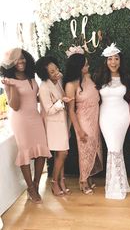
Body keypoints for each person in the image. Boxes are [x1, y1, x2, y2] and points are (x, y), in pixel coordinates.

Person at [0, 48, 51, 203]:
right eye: (15, 60)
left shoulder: (31, 76)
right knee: (25, 153)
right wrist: (12, 87)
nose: (20, 61)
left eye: (22, 58)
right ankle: (30, 188)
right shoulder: (9, 81)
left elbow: (33, 97)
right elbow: (15, 106)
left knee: (42, 151)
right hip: (20, 120)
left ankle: (35, 184)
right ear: (10, 64)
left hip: (34, 117)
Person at [63, 47, 103, 195]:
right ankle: (83, 180)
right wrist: (78, 130)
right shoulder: (71, 85)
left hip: (95, 118)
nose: (88, 66)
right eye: (85, 65)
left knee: (95, 147)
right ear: (78, 67)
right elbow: (70, 110)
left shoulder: (90, 78)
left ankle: (89, 176)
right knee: (85, 149)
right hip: (83, 120)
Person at [95, 43, 130, 200]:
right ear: (105, 61)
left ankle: (118, 184)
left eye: (116, 58)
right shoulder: (98, 77)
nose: (113, 62)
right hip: (106, 116)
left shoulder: (126, 77)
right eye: (110, 59)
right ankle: (115, 184)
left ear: (120, 60)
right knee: (112, 148)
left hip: (122, 115)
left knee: (117, 148)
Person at [35, 56, 72, 196]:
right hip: (53, 125)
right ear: (45, 75)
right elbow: (49, 110)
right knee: (63, 152)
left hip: (63, 122)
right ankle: (54, 182)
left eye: (56, 68)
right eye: (52, 72)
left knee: (60, 153)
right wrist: (61, 102)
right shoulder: (44, 87)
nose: (56, 72)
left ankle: (62, 181)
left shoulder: (59, 78)